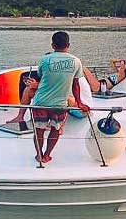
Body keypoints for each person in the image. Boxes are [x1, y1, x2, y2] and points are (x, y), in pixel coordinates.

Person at [30, 31, 89, 164]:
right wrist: (79, 103)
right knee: (55, 129)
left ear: (52, 45)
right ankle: (47, 155)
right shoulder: (76, 61)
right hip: (60, 103)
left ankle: (39, 155)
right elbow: (76, 85)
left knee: (39, 130)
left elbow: (41, 75)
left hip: (41, 102)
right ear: (68, 45)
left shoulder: (45, 60)